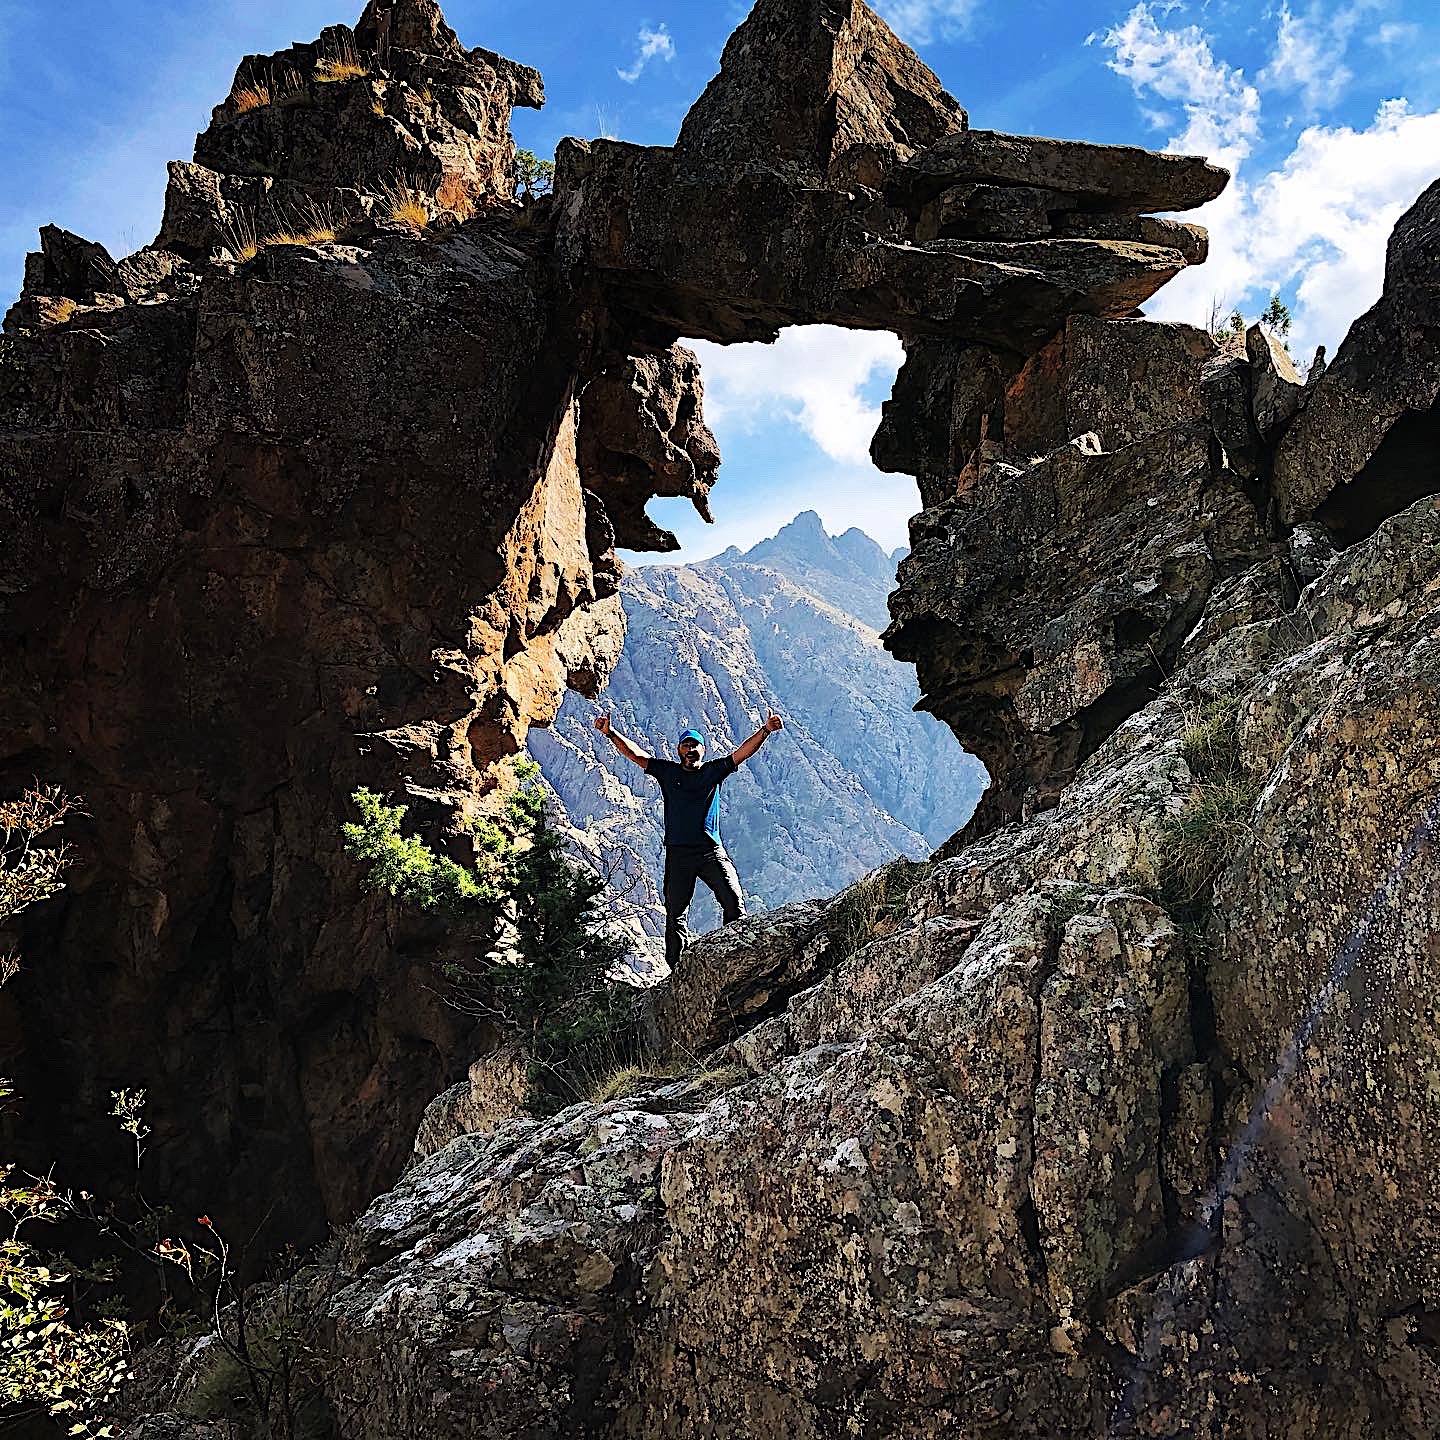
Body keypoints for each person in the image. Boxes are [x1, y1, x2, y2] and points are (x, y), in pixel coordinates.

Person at [594, 711, 784, 971]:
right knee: (675, 912)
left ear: (703, 751)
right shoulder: (667, 772)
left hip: (710, 851)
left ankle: (737, 955)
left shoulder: (712, 772)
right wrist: (610, 733)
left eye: (695, 745)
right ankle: (678, 968)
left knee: (732, 899)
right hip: (679, 854)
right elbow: (635, 755)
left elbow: (743, 752)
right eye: (687, 745)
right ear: (679, 750)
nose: (691, 749)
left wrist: (765, 730)